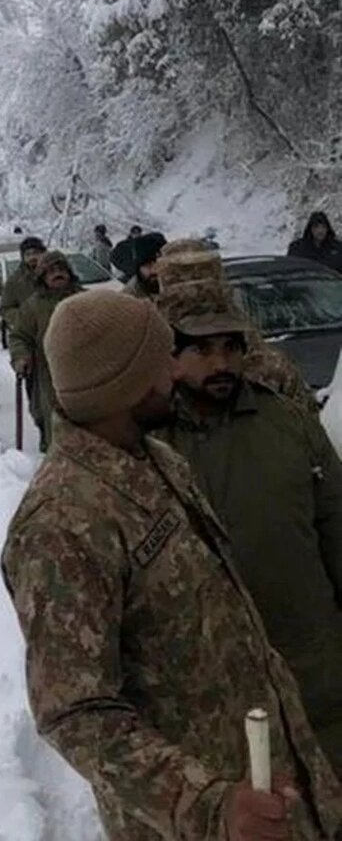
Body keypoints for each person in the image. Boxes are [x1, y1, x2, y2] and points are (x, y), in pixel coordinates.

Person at [1, 290, 342, 841]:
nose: (172, 368)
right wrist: (209, 805)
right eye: (160, 358)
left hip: (271, 776)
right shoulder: (63, 523)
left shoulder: (158, 462)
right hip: (202, 819)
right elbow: (75, 712)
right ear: (125, 383)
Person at [160, 278, 342, 778]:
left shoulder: (287, 421)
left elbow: (336, 523)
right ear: (168, 353)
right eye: (200, 348)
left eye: (230, 346)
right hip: (203, 683)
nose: (221, 364)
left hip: (311, 662)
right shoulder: (144, 441)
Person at [156, 239, 322, 421]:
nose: (221, 364)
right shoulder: (272, 366)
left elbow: (310, 435)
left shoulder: (148, 380)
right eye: (201, 349)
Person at [8, 251, 82, 451]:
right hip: (49, 375)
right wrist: (21, 356)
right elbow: (19, 336)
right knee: (54, 422)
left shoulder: (85, 298)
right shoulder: (32, 306)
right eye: (51, 271)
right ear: (42, 276)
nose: (57, 274)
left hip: (86, 371)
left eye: (61, 269)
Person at [0, 237, 46, 334]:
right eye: (28, 254)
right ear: (23, 257)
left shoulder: (55, 273)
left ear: (43, 253)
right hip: (30, 334)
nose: (32, 257)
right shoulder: (15, 281)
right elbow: (6, 309)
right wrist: (24, 318)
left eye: (36, 253)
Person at [122, 231, 166, 300]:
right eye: (148, 265)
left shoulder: (182, 281)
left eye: (159, 264)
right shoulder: (130, 297)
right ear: (138, 268)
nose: (154, 270)